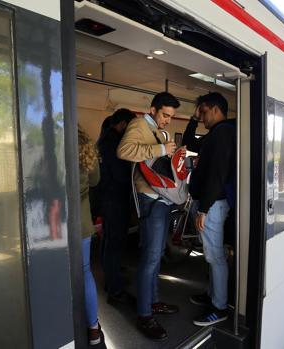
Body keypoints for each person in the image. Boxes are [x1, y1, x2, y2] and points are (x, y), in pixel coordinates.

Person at [117, 92, 181, 341]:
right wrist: (161, 148)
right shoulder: (139, 124)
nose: (167, 120)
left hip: (163, 199)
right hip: (149, 200)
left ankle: (152, 302)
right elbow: (124, 150)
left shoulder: (159, 130)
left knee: (156, 258)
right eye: (165, 114)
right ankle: (144, 314)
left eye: (171, 116)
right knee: (150, 258)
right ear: (153, 109)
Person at [184, 92, 236, 326]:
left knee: (215, 257)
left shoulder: (223, 133)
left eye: (203, 112)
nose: (202, 117)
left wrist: (203, 209)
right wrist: (193, 119)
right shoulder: (216, 134)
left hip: (212, 204)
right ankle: (213, 296)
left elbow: (217, 173)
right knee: (213, 254)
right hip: (210, 203)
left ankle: (220, 307)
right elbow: (189, 143)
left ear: (216, 109)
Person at [97, 108, 136, 305]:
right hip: (115, 199)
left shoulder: (103, 140)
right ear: (122, 124)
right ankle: (115, 290)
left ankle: (110, 280)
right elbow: (121, 176)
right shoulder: (115, 144)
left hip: (105, 198)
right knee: (115, 244)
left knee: (108, 241)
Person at [78, 127, 103, 345]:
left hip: (52, 226)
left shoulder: (42, 145)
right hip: (82, 223)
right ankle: (93, 330)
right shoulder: (84, 146)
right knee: (85, 272)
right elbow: (95, 181)